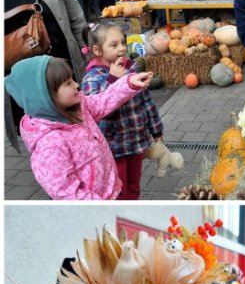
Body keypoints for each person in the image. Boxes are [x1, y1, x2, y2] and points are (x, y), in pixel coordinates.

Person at [5, 56, 151, 199]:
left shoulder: (78, 106)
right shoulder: (49, 144)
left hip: (109, 190)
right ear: (45, 97)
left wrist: (128, 83)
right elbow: (66, 191)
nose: (76, 85)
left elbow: (102, 102)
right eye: (68, 83)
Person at [5, 0, 88, 145]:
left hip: (63, 75)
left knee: (77, 131)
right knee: (43, 143)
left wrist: (88, 59)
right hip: (22, 85)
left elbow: (77, 21)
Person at [81, 23, 163, 200]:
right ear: (97, 50)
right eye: (113, 45)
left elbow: (146, 101)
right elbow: (97, 111)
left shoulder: (131, 69)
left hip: (136, 141)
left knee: (134, 187)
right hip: (113, 148)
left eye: (122, 43)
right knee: (119, 190)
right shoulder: (92, 78)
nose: (121, 49)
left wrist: (156, 130)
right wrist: (113, 80)